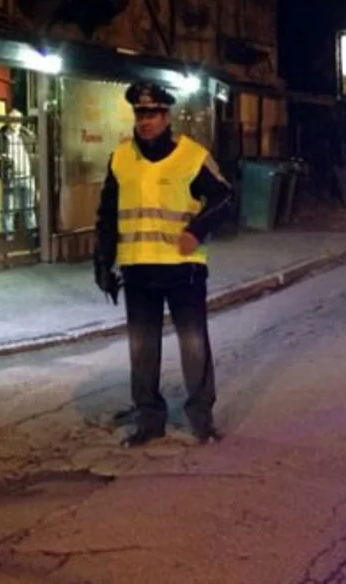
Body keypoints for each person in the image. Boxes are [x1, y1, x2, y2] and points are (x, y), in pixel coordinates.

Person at [93, 81, 234, 448]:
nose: (145, 120)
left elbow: (224, 198)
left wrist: (197, 230)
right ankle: (149, 421)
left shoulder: (191, 155)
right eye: (140, 113)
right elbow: (107, 214)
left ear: (166, 115)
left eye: (152, 113)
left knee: (193, 346)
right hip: (138, 270)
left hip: (182, 270)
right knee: (142, 351)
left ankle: (201, 421)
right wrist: (103, 262)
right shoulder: (121, 157)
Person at [0, 109, 36, 237]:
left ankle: (32, 238)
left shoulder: (28, 135)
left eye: (18, 119)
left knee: (29, 210)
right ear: (7, 120)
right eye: (12, 119)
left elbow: (36, 156)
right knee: (9, 211)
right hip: (9, 178)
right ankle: (9, 239)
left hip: (28, 177)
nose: (15, 122)